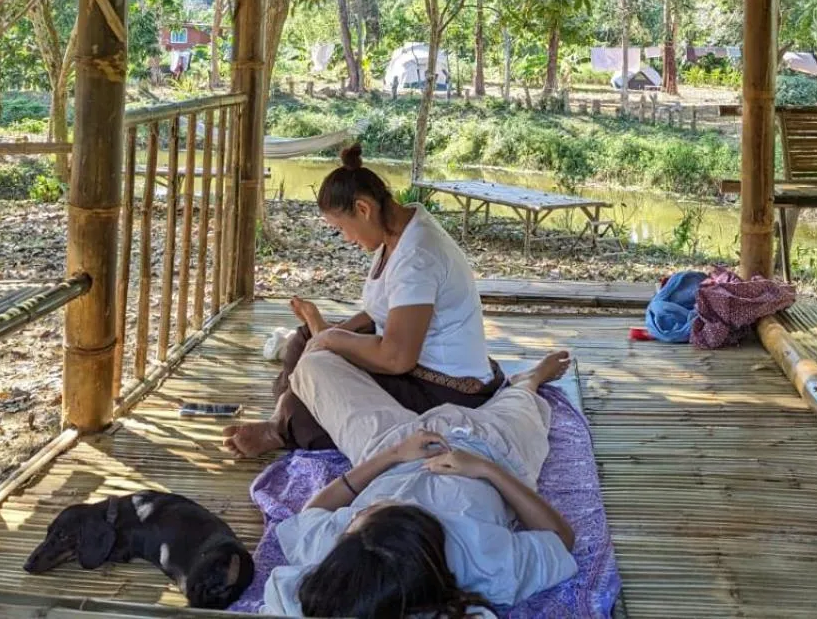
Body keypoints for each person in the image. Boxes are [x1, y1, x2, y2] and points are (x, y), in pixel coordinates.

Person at [224, 145, 503, 456]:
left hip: (444, 387)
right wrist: (332, 332)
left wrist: (333, 339)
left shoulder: (418, 257)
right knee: (304, 343)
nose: (347, 238)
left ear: (363, 208)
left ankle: (281, 427)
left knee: (309, 390)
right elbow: (378, 311)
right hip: (409, 362)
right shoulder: (397, 230)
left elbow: (398, 358)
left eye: (342, 228)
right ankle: (292, 404)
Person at [261, 348, 578, 617]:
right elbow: (560, 538)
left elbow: (311, 513)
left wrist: (392, 455)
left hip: (393, 444)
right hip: (490, 444)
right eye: (379, 508)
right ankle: (528, 382)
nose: (355, 512)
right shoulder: (485, 561)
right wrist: (487, 471)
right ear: (429, 533)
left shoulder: (341, 557)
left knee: (312, 365)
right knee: (521, 399)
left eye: (360, 513)